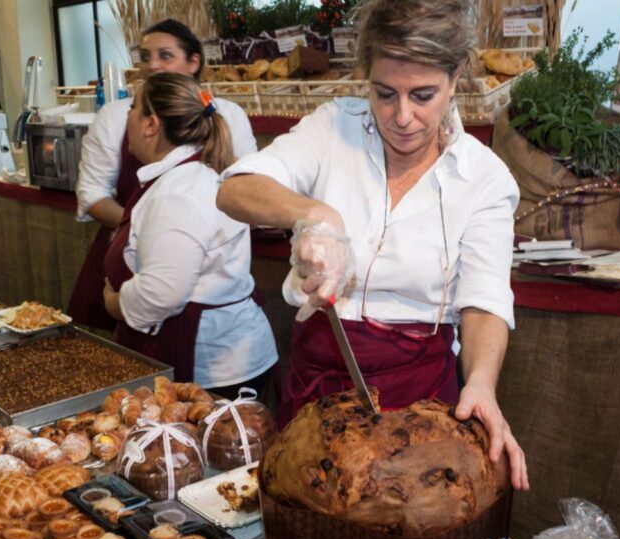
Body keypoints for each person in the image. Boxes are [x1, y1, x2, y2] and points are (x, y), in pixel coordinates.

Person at [217, 0, 528, 490]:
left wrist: (483, 384)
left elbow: (485, 301)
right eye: (385, 94)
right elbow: (235, 188)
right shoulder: (331, 129)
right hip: (318, 391)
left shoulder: (483, 178)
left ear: (455, 80)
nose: (402, 116)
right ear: (365, 80)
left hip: (420, 399)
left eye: (423, 95)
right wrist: (316, 214)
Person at [70, 19, 257, 331]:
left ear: (193, 62)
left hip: (194, 289)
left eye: (165, 55)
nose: (153, 65)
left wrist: (163, 232)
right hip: (128, 266)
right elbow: (92, 196)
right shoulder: (116, 115)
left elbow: (249, 191)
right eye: (146, 56)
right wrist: (147, 232)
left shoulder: (226, 115)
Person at [101, 73, 276, 398]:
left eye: (133, 107)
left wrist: (114, 303)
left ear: (151, 125)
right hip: (220, 357)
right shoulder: (184, 176)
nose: (127, 116)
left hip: (214, 371)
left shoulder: (178, 193)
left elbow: (162, 293)